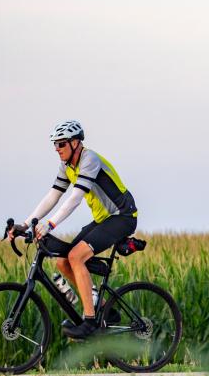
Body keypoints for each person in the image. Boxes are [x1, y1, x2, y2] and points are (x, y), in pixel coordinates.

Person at [11, 120, 138, 339]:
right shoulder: (67, 165)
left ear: (75, 143)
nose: (57, 149)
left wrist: (50, 224)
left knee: (76, 256)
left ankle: (89, 322)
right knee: (63, 261)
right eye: (55, 145)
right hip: (103, 219)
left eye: (61, 144)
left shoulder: (89, 160)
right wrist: (26, 223)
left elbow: (75, 197)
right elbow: (54, 195)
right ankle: (106, 309)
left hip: (122, 216)